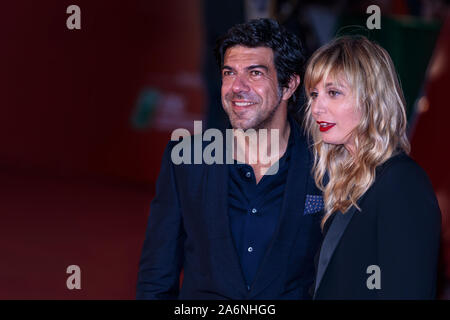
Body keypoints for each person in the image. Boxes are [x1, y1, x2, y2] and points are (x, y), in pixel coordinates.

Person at [136, 18, 323, 299]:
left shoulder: (326, 163)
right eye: (229, 72)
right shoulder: (187, 160)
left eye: (255, 73)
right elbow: (156, 276)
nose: (237, 86)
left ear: (289, 86)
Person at [303, 35, 441, 299]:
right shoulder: (347, 183)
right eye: (314, 94)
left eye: (333, 93)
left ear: (371, 99)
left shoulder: (401, 182)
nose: (316, 108)